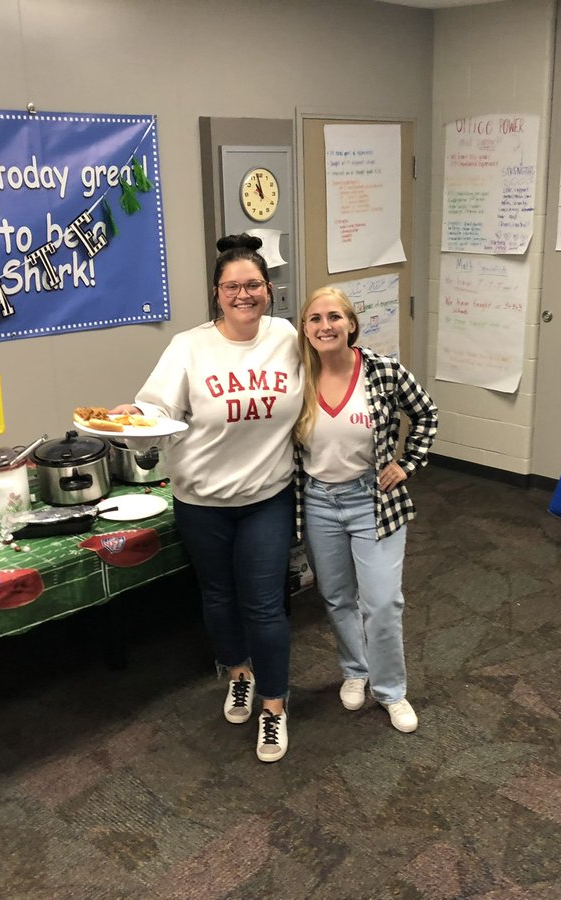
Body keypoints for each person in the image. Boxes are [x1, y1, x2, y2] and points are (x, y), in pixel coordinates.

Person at [112, 234, 301, 762]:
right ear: (217, 293)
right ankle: (238, 673)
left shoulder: (286, 336)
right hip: (201, 500)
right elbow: (155, 413)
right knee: (218, 596)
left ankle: (273, 706)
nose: (244, 295)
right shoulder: (189, 347)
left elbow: (330, 375)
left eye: (254, 285)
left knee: (264, 606)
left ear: (268, 289)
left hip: (267, 495)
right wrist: (128, 421)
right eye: (232, 286)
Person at [294, 286, 438, 733]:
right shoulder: (297, 378)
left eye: (334, 317)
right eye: (315, 319)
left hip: (373, 500)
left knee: (382, 602)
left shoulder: (383, 371)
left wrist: (407, 464)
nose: (325, 326)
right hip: (318, 501)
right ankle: (355, 670)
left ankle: (391, 690)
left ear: (351, 324)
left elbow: (427, 415)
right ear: (305, 328)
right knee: (337, 598)